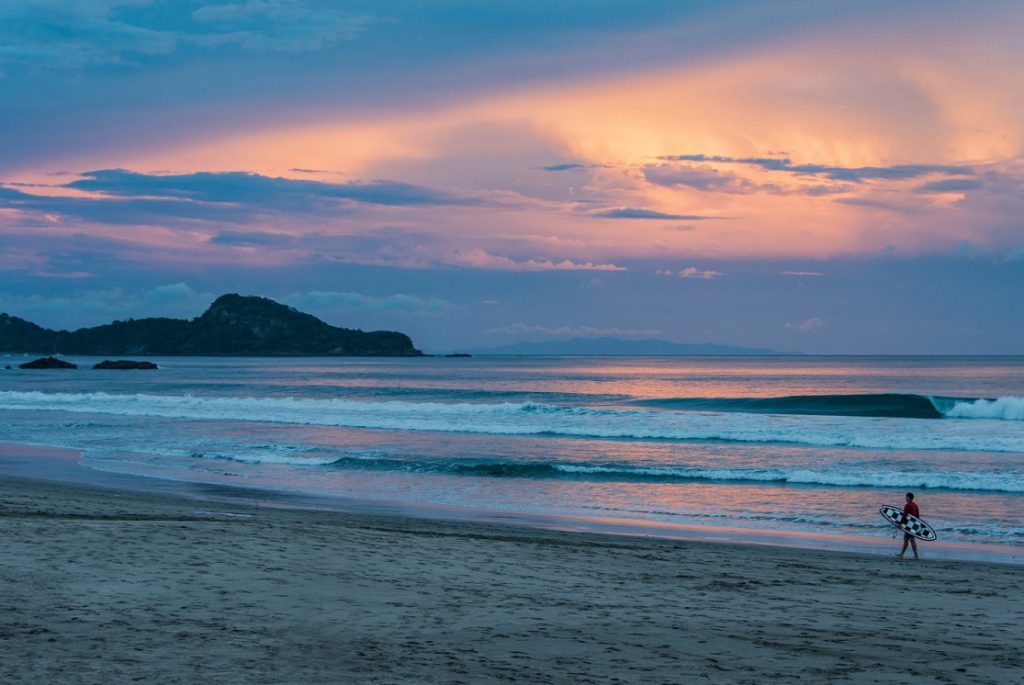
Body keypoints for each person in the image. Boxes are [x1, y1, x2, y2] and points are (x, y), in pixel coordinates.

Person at [897, 492, 921, 560]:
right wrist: (917, 525)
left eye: (906, 497)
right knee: (905, 539)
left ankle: (916, 556)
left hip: (909, 526)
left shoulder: (908, 505)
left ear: (908, 497)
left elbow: (905, 515)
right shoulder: (915, 505)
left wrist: (900, 523)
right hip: (913, 525)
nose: (905, 498)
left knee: (912, 540)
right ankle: (901, 554)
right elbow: (918, 516)